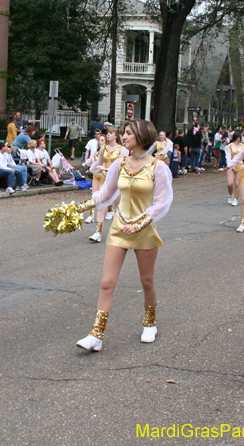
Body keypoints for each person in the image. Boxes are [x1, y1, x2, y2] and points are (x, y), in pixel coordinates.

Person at [74, 119, 174, 351]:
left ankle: (150, 323)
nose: (123, 137)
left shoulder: (158, 167)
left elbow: (162, 203)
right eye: (123, 133)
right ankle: (96, 335)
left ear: (141, 136)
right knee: (107, 282)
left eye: (128, 133)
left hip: (144, 230)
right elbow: (106, 195)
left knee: (147, 281)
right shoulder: (120, 163)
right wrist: (77, 208)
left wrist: (139, 224)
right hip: (119, 227)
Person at [223, 131, 244, 206]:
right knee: (230, 183)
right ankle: (230, 194)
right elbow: (228, 157)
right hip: (231, 166)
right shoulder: (229, 146)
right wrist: (229, 165)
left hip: (240, 165)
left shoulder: (243, 146)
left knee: (237, 183)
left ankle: (236, 198)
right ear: (238, 138)